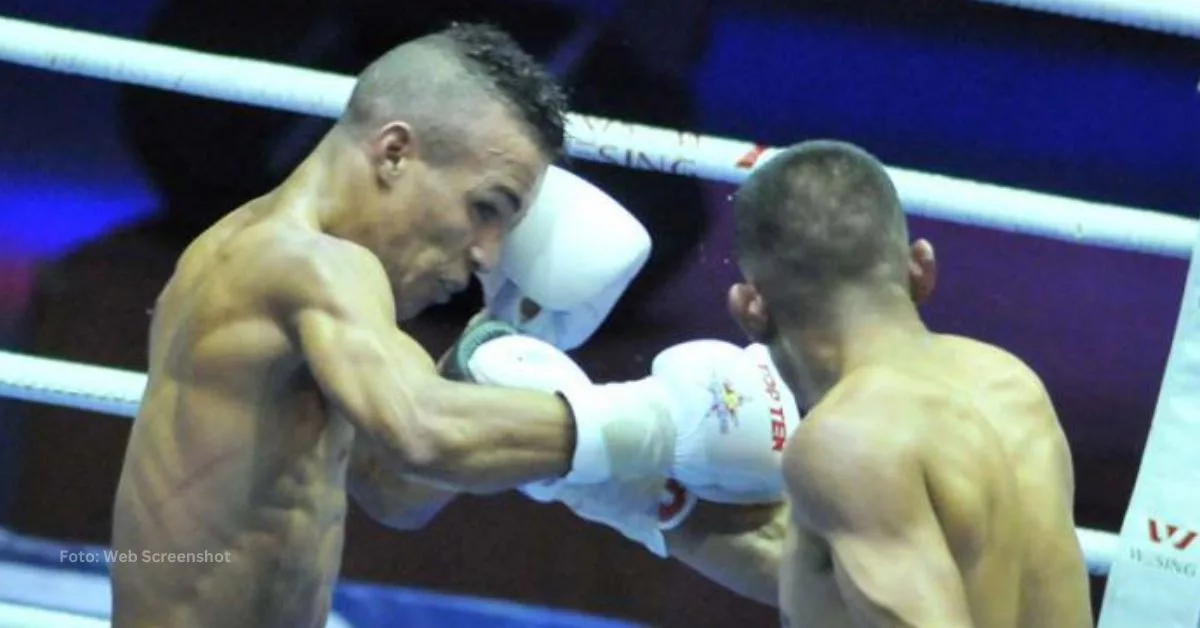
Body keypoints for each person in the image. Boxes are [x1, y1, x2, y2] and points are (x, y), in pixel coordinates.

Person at [109, 22, 756, 628]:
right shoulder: (306, 265)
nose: (489, 256)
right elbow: (420, 432)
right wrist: (658, 424)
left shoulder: (309, 274)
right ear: (394, 152)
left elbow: (394, 491)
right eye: (485, 208)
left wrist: (510, 329)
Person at [723, 140, 1093, 626]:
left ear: (750, 307)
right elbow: (893, 572)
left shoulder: (845, 439)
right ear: (921, 267)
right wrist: (666, 517)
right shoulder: (1008, 382)